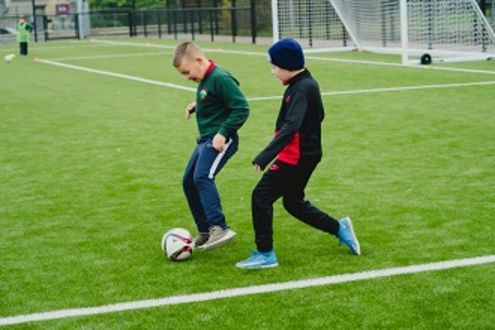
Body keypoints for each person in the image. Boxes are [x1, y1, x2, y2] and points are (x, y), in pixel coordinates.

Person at [236, 38, 361, 269]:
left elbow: (291, 126)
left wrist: (265, 156)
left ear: (287, 65)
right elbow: (318, 116)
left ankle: (265, 254)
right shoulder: (303, 84)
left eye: (274, 66)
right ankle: (339, 228)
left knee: (260, 197)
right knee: (293, 203)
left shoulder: (302, 88)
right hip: (306, 153)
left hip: (297, 156)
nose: (272, 72)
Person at [172, 41, 249, 251]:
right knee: (188, 181)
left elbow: (241, 108)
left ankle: (220, 227)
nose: (188, 77)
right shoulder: (207, 79)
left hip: (220, 139)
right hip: (205, 138)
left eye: (187, 72)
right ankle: (205, 231)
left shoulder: (220, 77)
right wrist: (197, 105)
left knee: (202, 176)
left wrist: (223, 133)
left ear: (198, 60)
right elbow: (213, 98)